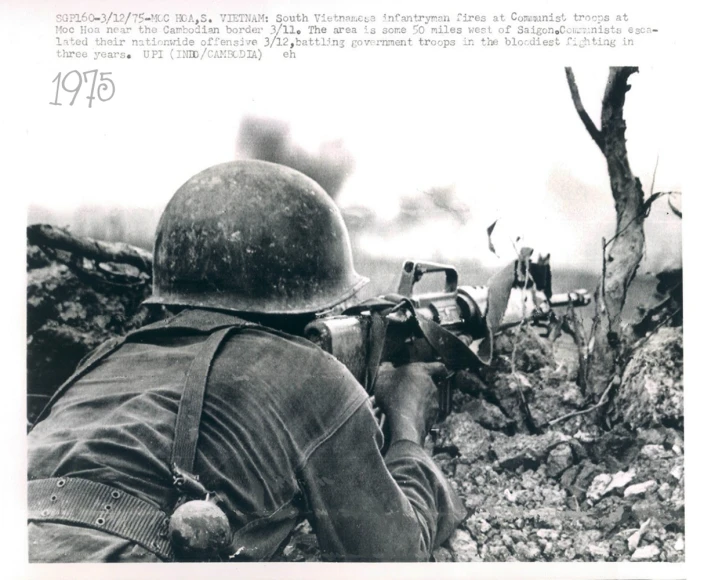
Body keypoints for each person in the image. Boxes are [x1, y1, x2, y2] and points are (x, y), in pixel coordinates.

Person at [27, 160, 466, 562]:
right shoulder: (310, 374)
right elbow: (395, 556)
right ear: (315, 298)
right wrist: (407, 418)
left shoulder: (105, 358)